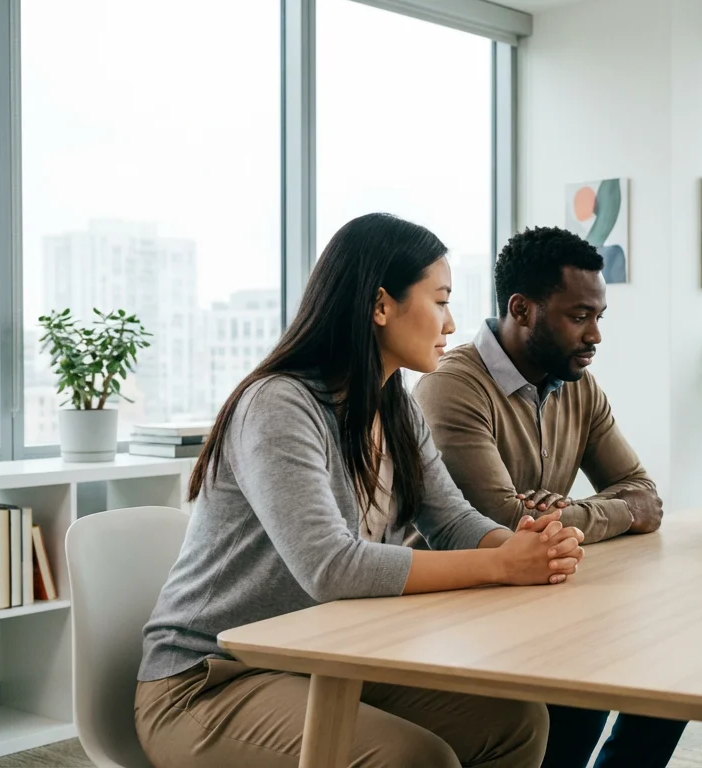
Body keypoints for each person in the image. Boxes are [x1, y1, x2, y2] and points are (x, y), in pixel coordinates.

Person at [135, 213, 586, 768]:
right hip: (210, 680)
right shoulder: (279, 405)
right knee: (413, 758)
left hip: (325, 660)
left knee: (514, 722)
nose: (450, 324)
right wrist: (501, 567)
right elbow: (330, 566)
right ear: (380, 306)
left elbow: (451, 521)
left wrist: (526, 547)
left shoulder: (394, 403)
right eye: (440, 300)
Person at [413, 225, 684, 768]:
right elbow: (506, 525)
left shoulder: (580, 386)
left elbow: (644, 496)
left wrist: (566, 513)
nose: (595, 337)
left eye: (598, 317)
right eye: (579, 316)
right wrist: (605, 512)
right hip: (456, 606)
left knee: (673, 663)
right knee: (591, 678)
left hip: (543, 590)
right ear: (522, 309)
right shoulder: (452, 385)